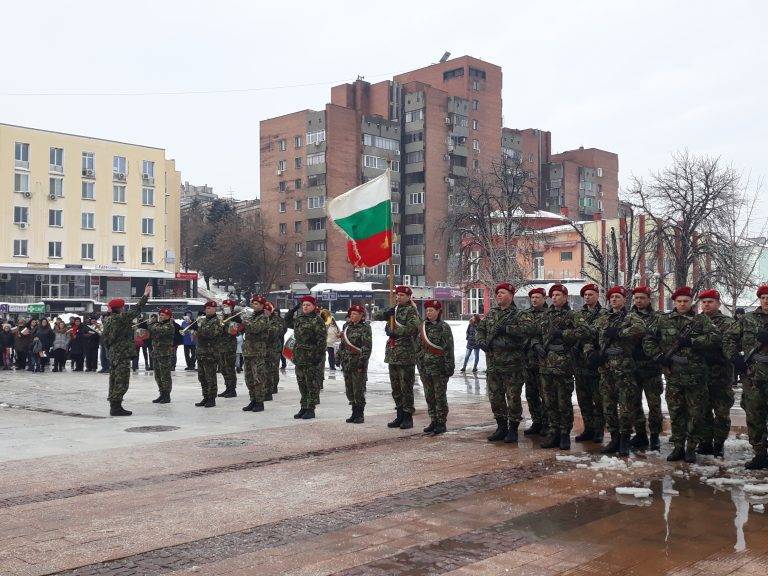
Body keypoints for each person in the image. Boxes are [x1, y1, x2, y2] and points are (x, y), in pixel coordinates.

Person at [644, 286, 715, 463]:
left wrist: (692, 341)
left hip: (696, 377)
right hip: (673, 376)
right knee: (676, 413)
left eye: (686, 301)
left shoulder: (702, 320)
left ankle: (691, 448)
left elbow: (715, 338)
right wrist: (658, 356)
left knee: (696, 414)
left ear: (691, 302)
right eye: (679, 301)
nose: (682, 304)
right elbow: (648, 339)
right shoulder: (664, 320)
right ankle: (678, 447)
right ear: (674, 302)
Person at [585, 285, 645, 456]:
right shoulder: (602, 318)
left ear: (624, 299)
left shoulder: (631, 317)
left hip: (624, 369)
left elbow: (641, 329)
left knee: (625, 407)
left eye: (618, 297)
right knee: (608, 405)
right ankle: (614, 438)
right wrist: (590, 353)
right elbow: (589, 336)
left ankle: (625, 439)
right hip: (606, 369)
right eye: (611, 297)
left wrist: (620, 333)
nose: (614, 299)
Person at [476, 283, 529, 443]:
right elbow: (481, 329)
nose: (498, 295)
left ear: (511, 296)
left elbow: (527, 331)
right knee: (495, 397)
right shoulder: (492, 313)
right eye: (497, 292)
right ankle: (501, 427)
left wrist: (507, 330)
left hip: (512, 365)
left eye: (502, 292)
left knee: (513, 398)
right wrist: (481, 341)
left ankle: (513, 429)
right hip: (493, 364)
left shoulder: (519, 314)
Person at [539, 284, 588, 451]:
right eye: (552, 295)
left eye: (558, 295)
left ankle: (565, 433)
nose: (554, 297)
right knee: (549, 401)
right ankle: (554, 432)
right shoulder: (545, 315)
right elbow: (535, 333)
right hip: (546, 364)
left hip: (563, 364)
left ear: (565, 297)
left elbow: (585, 331)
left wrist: (563, 334)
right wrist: (536, 344)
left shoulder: (572, 315)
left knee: (563, 401)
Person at [724, 285, 768, 470]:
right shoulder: (747, 319)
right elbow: (728, 339)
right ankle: (760, 454)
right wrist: (736, 358)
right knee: (755, 416)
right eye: (763, 297)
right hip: (753, 377)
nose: (766, 300)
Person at [373, 286, 420, 430]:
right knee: (396, 388)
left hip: (405, 355)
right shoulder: (394, 309)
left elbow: (413, 328)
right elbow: (375, 316)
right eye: (397, 295)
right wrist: (386, 313)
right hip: (393, 354)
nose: (398, 297)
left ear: (408, 297)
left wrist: (395, 331)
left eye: (402, 295)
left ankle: (407, 416)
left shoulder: (411, 311)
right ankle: (399, 415)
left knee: (406, 387)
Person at [101, 284, 151, 416]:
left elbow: (105, 339)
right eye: (123, 307)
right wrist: (145, 295)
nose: (124, 309)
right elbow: (137, 309)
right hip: (122, 354)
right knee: (122, 381)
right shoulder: (120, 318)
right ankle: (116, 407)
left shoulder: (108, 320)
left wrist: (110, 350)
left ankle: (114, 405)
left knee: (114, 380)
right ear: (120, 308)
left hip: (113, 354)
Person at [697, 289, 735, 459]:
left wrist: (720, 355)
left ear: (718, 304)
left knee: (721, 412)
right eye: (704, 302)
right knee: (703, 410)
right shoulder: (695, 322)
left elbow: (731, 344)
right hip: (699, 374)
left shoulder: (728, 323)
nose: (706, 305)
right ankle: (705, 442)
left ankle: (719, 443)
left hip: (721, 375)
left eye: (710, 302)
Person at [629, 286, 664, 451]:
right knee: (634, 403)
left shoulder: (658, 318)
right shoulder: (628, 316)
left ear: (649, 299)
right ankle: (641, 434)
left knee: (654, 404)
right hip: (632, 367)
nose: (638, 301)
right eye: (636, 298)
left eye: (642, 298)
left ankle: (655, 436)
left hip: (651, 367)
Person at [416, 300, 455, 435]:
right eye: (427, 310)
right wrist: (420, 361)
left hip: (439, 368)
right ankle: (433, 420)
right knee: (429, 396)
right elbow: (418, 346)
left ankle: (441, 422)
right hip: (425, 368)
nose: (428, 313)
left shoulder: (444, 327)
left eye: (431, 310)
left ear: (438, 312)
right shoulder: (423, 327)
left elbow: (449, 348)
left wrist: (449, 367)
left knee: (440, 396)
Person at [285, 295, 326, 419]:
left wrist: (318, 357)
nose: (305, 307)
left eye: (308, 305)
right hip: (299, 357)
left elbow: (321, 341)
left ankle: (311, 409)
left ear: (314, 306)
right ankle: (304, 406)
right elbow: (287, 322)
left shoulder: (317, 320)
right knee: (301, 383)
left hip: (311, 357)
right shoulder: (299, 319)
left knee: (311, 384)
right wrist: (292, 310)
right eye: (303, 305)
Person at [573, 284, 605, 443]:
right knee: (583, 399)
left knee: (598, 399)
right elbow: (572, 332)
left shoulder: (604, 314)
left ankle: (599, 430)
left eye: (590, 294)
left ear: (597, 295)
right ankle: (588, 429)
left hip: (595, 361)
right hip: (580, 362)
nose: (587, 297)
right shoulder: (578, 314)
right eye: (585, 295)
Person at [520, 288, 549, 436]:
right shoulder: (524, 314)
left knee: (545, 394)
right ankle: (536, 421)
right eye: (532, 297)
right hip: (528, 361)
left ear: (544, 298)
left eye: (537, 297)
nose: (534, 300)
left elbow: (544, 334)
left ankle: (546, 423)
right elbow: (520, 332)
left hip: (544, 362)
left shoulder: (549, 314)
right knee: (531, 394)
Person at [338, 304, 372, 424]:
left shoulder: (365, 328)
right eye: (351, 314)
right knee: (349, 389)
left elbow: (367, 347)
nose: (352, 316)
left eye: (355, 314)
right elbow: (343, 344)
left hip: (358, 363)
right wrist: (338, 357)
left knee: (358, 389)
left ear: (362, 316)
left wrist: (362, 362)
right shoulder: (346, 326)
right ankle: (353, 412)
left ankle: (360, 414)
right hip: (347, 362)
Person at [241, 295, 271, 413]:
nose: (254, 306)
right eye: (253, 303)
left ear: (262, 305)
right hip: (248, 351)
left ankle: (259, 402)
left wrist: (244, 320)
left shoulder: (263, 317)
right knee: (249, 378)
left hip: (257, 352)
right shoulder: (252, 316)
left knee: (258, 378)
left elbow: (255, 328)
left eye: (256, 304)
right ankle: (253, 399)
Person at [145, 307, 176, 404]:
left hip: (165, 354)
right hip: (157, 353)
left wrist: (149, 325)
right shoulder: (158, 324)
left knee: (165, 376)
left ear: (168, 316)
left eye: (163, 315)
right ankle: (162, 393)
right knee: (158, 375)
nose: (161, 316)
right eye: (160, 315)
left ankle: (167, 395)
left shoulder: (169, 325)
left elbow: (157, 330)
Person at [216, 299, 240, 398]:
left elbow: (233, 332)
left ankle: (232, 389)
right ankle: (227, 387)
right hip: (221, 346)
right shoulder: (221, 316)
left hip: (230, 346)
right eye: (224, 305)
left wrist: (226, 323)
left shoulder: (234, 317)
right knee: (223, 368)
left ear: (231, 307)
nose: (224, 307)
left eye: (227, 306)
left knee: (229, 368)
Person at [265, 302, 285, 396]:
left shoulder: (277, 320)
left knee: (273, 368)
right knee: (265, 369)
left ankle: (274, 386)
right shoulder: (263, 319)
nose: (265, 312)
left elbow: (279, 332)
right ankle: (267, 385)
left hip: (274, 347)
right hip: (264, 348)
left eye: (267, 310)